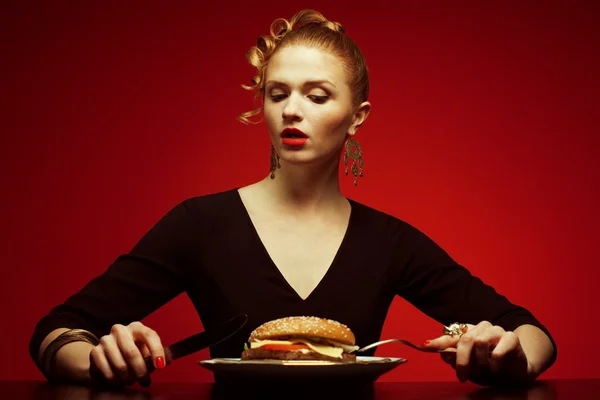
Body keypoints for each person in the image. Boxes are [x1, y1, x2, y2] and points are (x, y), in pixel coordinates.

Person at [30, 9, 556, 389]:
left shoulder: (389, 242)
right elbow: (55, 333)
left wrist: (509, 357)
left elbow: (535, 337)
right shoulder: (200, 224)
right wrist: (98, 358)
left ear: (358, 115)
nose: (292, 110)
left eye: (317, 95)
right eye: (277, 93)